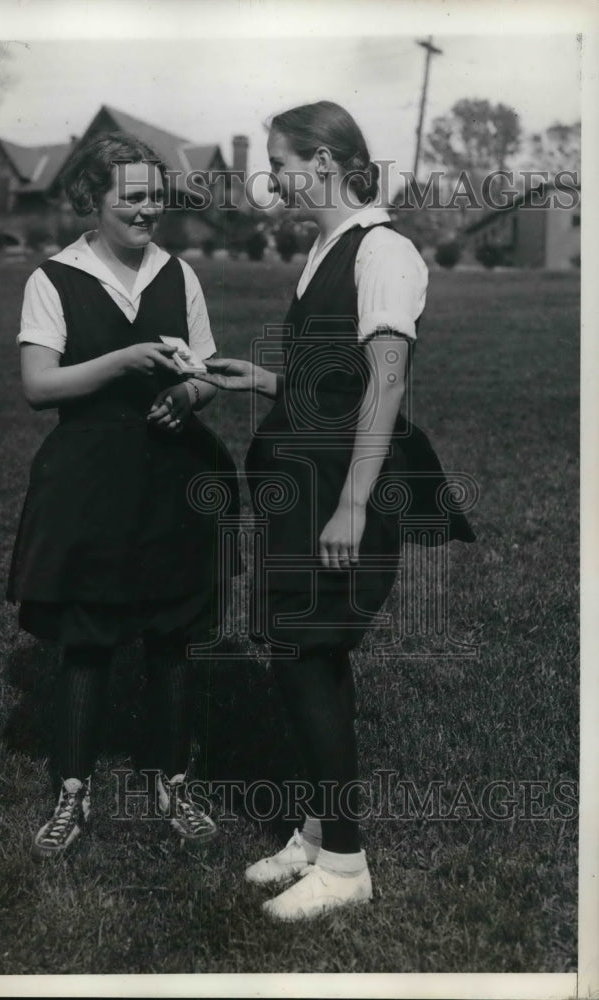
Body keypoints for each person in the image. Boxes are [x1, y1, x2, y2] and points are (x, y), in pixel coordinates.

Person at [201, 101, 475, 920]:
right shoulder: (325, 247)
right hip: (309, 475)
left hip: (341, 487)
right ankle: (319, 830)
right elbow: (338, 383)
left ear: (322, 161)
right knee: (297, 648)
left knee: (310, 651)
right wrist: (262, 381)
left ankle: (348, 868)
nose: (274, 178)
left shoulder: (383, 249)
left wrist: (353, 505)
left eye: (282, 163)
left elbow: (388, 382)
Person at [6, 131, 239, 859]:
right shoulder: (55, 278)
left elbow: (206, 374)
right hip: (89, 481)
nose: (147, 211)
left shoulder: (179, 275)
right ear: (93, 201)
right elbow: (40, 386)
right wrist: (125, 360)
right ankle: (72, 792)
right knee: (89, 639)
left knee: (173, 637)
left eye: (155, 198)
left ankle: (173, 779)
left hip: (171, 477)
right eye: (130, 198)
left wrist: (186, 395)